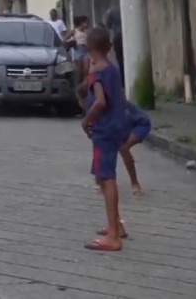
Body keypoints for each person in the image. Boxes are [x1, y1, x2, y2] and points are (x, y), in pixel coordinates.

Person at [80, 27, 126, 252]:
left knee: (106, 178)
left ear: (89, 47)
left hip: (103, 130)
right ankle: (116, 224)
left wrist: (86, 120)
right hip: (115, 127)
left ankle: (114, 235)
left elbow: (100, 102)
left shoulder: (96, 72)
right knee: (101, 175)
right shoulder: (113, 68)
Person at [77, 83, 151, 196]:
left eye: (80, 100)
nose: (80, 104)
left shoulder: (109, 104)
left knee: (123, 148)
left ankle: (135, 184)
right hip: (121, 127)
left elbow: (124, 120)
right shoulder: (93, 110)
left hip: (139, 124)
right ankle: (101, 181)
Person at [103, 6, 124, 87]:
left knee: (120, 60)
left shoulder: (111, 11)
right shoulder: (123, 8)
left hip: (118, 36)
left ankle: (123, 81)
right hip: (126, 36)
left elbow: (107, 25)